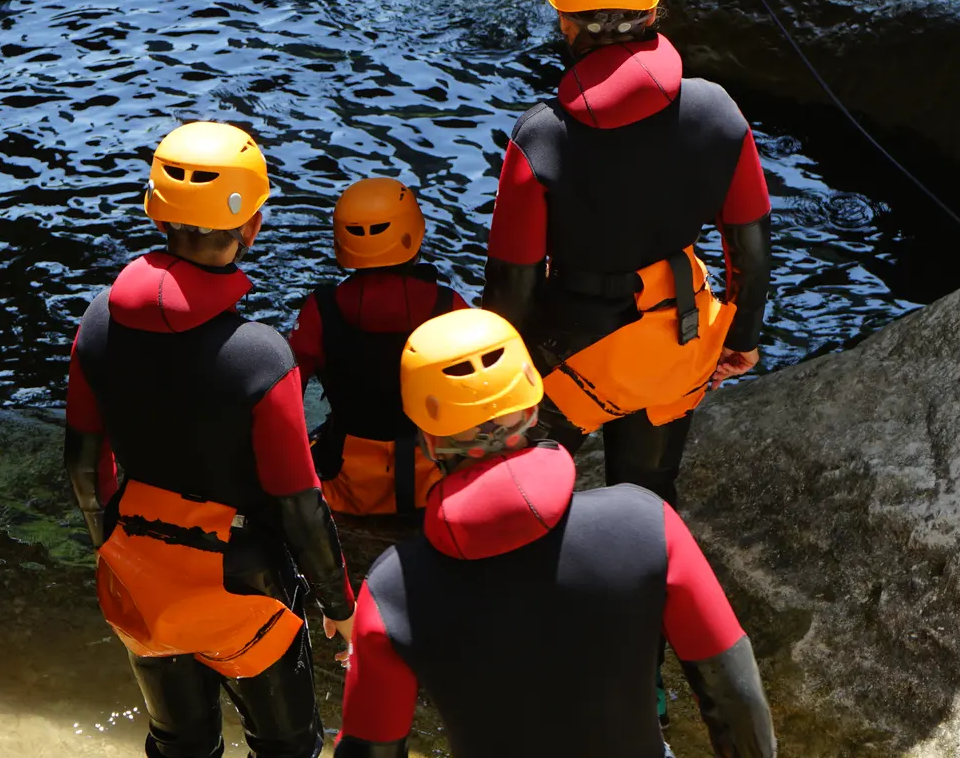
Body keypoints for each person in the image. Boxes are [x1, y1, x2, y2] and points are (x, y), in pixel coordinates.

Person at [331, 308, 777, 757]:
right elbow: (736, 697)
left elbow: (370, 750)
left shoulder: (393, 590)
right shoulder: (644, 524)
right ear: (532, 408)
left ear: (427, 441)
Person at [64, 121, 356, 758]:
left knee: (179, 744)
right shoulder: (260, 357)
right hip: (243, 581)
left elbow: (85, 469)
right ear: (253, 225)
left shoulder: (97, 320)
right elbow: (298, 503)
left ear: (155, 212)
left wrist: (114, 552)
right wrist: (338, 602)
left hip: (140, 565)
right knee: (287, 749)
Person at [481, 0, 773, 509]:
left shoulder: (541, 137)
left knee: (524, 500)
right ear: (653, 6)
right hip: (677, 335)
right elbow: (751, 248)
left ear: (564, 17)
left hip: (570, 351)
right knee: (647, 496)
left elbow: (514, 284)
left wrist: (499, 382)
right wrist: (740, 338)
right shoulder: (717, 110)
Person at [288, 178, 467, 516]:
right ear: (415, 233)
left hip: (344, 485)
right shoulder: (449, 305)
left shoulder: (321, 309)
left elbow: (287, 394)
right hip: (430, 481)